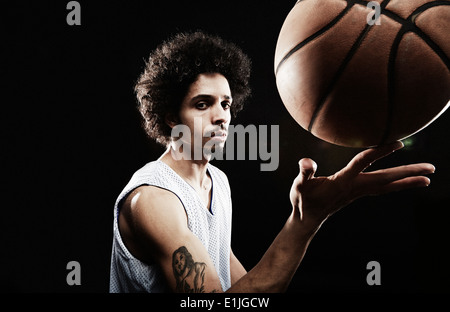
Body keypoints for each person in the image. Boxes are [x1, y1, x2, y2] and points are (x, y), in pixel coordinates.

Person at [109, 31, 435, 293]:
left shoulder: (216, 182)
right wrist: (304, 222)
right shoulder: (153, 200)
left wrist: (305, 219)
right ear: (169, 117)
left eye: (225, 103)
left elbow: (241, 289)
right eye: (202, 103)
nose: (222, 116)